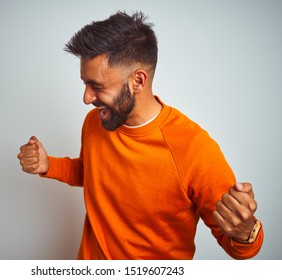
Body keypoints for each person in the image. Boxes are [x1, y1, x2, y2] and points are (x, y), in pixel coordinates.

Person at [17, 11, 263, 260]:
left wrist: (246, 232)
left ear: (138, 81)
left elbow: (240, 247)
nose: (86, 98)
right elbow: (93, 173)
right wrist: (49, 165)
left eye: (97, 86)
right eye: (85, 84)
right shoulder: (96, 122)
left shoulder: (193, 149)